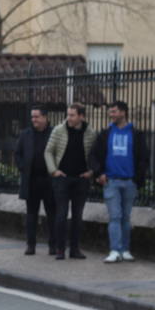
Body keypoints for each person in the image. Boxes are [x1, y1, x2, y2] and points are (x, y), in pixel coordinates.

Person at [91, 100, 149, 264]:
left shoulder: (136, 134)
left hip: (130, 182)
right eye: (110, 112)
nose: (111, 114)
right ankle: (115, 250)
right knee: (115, 216)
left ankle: (125, 250)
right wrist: (99, 173)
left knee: (125, 217)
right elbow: (94, 155)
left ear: (123, 112)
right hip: (111, 181)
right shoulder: (105, 134)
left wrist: (138, 178)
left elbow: (144, 158)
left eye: (114, 111)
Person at [45, 103, 97, 261]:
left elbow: (95, 154)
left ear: (81, 116)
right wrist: (53, 170)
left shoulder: (90, 132)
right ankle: (60, 249)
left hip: (81, 179)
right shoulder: (59, 130)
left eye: (73, 115)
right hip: (62, 178)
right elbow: (48, 151)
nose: (69, 118)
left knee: (77, 216)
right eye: (68, 114)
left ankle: (75, 249)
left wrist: (91, 172)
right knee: (61, 214)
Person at [15, 107, 60, 257]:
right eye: (32, 117)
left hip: (49, 181)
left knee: (52, 214)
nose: (34, 119)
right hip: (31, 180)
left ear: (45, 117)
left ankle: (53, 245)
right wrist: (23, 167)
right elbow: (18, 154)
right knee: (31, 215)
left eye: (37, 116)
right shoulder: (25, 134)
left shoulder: (54, 133)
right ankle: (30, 245)